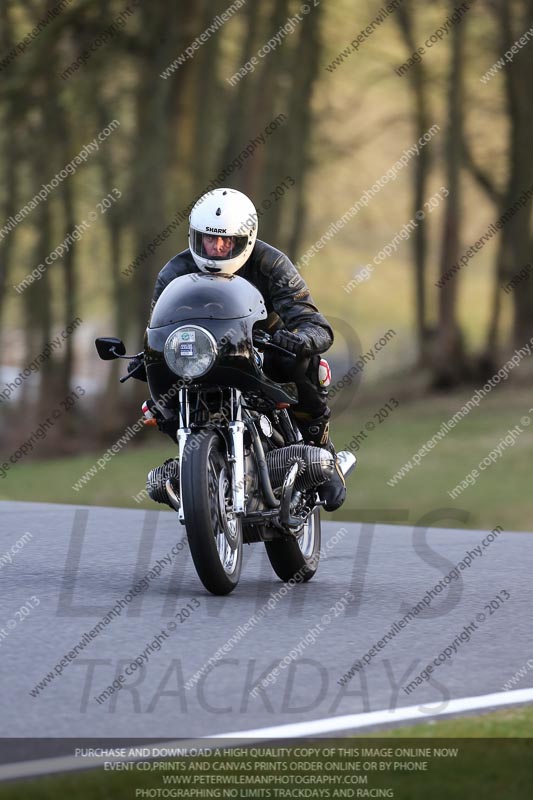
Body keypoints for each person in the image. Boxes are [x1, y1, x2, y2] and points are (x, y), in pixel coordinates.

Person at [132, 187, 346, 511]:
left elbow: (313, 322)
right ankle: (197, 467)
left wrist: (300, 338)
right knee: (157, 405)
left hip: (263, 350)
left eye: (226, 241)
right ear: (194, 237)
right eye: (209, 239)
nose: (217, 248)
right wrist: (147, 356)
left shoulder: (271, 263)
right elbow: (159, 329)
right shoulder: (173, 273)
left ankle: (324, 454)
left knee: (308, 367)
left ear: (245, 239)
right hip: (203, 358)